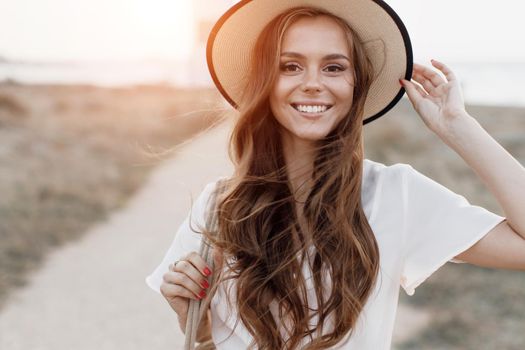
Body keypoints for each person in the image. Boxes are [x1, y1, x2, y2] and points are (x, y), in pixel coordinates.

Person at [145, 1, 525, 349]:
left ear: (355, 83)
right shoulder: (219, 204)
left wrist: (458, 126)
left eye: (334, 67)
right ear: (264, 82)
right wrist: (190, 317)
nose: (313, 83)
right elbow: (210, 340)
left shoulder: (396, 194)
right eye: (289, 66)